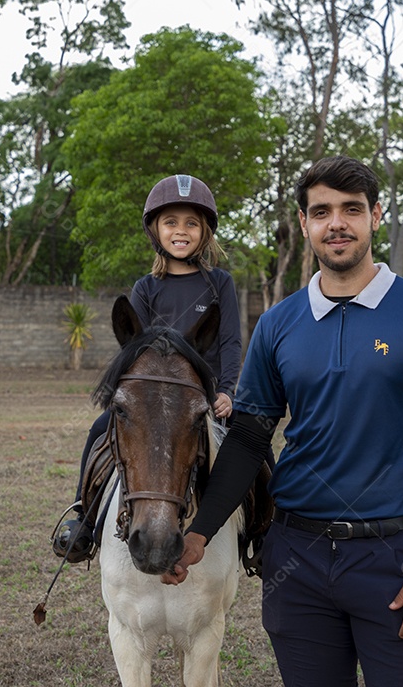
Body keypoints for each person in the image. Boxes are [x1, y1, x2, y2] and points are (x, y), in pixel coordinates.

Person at [162, 156, 403, 687]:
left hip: (393, 558)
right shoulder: (280, 323)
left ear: (376, 217)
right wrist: (198, 534)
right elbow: (248, 438)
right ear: (305, 224)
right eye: (322, 211)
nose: (337, 223)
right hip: (295, 560)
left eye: (352, 209)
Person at [51, 174, 242, 562]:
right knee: (98, 430)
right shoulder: (146, 287)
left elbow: (231, 342)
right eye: (171, 222)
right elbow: (131, 350)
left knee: (251, 449)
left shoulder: (220, 283)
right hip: (152, 396)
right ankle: (81, 516)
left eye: (191, 223)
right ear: (156, 230)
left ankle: (263, 528)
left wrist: (228, 391)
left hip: (202, 397)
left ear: (204, 231)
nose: (181, 231)